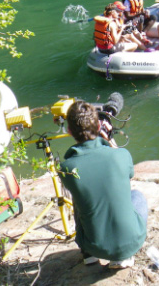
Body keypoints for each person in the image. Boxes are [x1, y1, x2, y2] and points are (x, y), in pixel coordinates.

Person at [59, 100, 147, 269]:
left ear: (69, 131)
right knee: (137, 196)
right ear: (99, 125)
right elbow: (128, 176)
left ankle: (89, 255)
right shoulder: (121, 155)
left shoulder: (67, 169)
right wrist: (108, 140)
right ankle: (122, 257)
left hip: (93, 245)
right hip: (130, 243)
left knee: (80, 199)